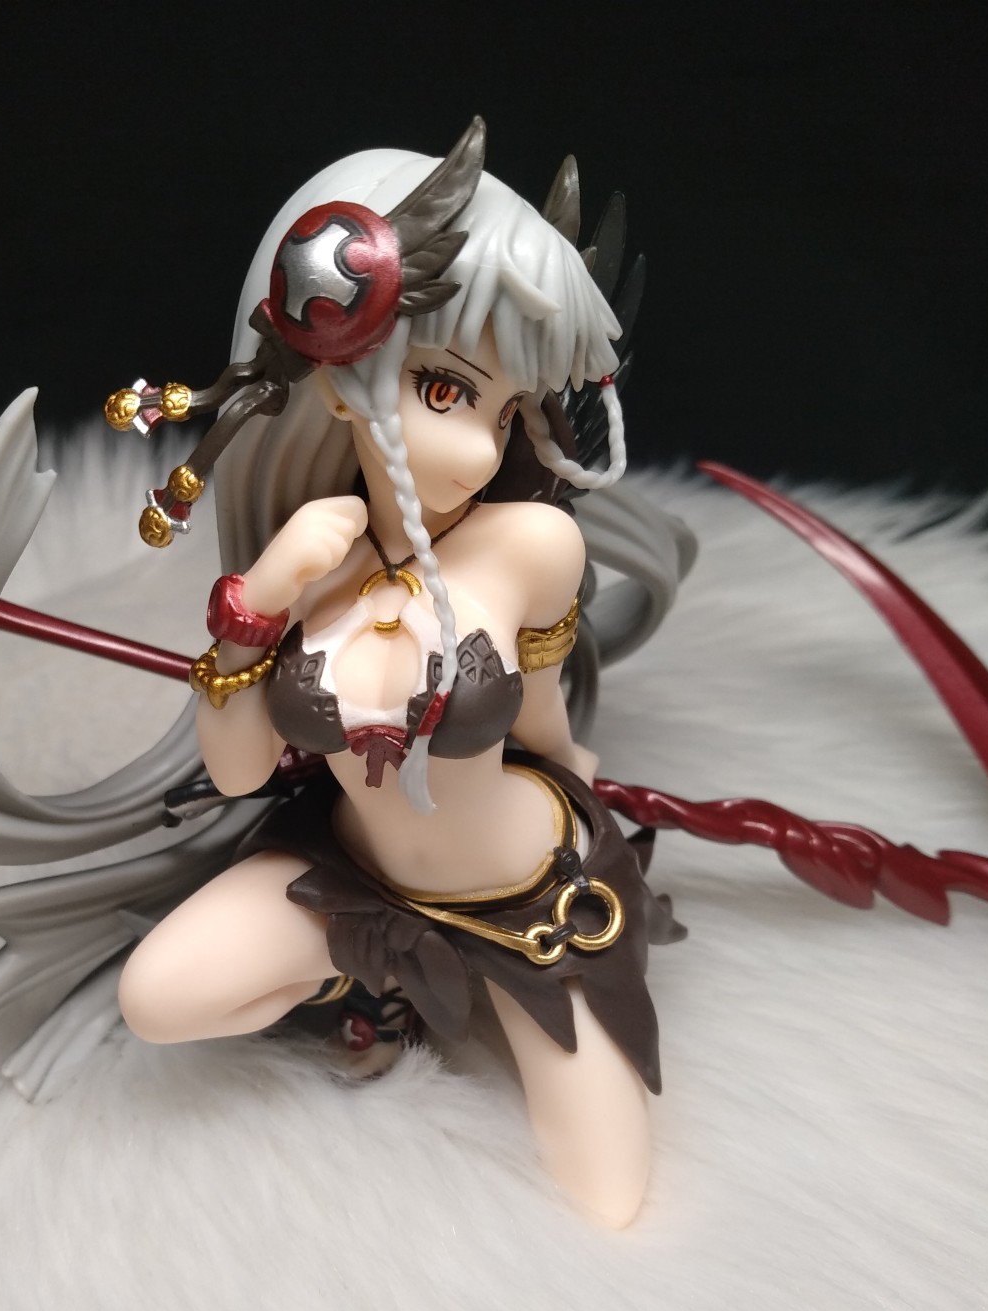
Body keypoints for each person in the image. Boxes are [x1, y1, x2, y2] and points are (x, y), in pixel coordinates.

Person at [108, 119, 692, 1227]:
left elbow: (544, 717)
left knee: (608, 1194)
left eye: (503, 410)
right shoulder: (306, 553)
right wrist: (256, 607)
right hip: (361, 887)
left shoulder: (533, 547)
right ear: (339, 374)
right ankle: (384, 983)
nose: (480, 448)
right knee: (158, 996)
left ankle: (443, 985)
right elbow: (239, 776)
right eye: (443, 392)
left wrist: (587, 787)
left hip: (530, 903)